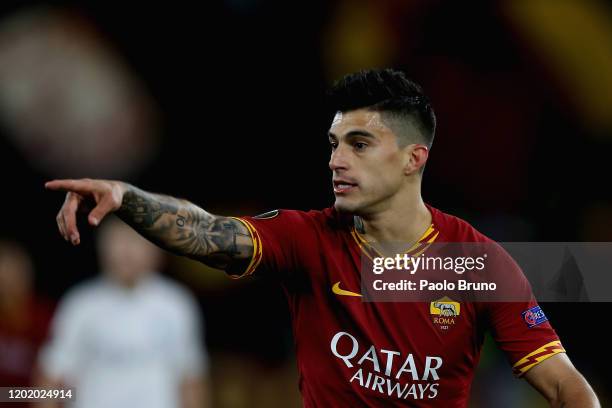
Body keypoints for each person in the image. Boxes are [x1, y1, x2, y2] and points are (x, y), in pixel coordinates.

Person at [45, 68, 599, 407]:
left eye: (358, 144)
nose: (335, 160)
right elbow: (205, 231)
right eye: (333, 143)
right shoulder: (306, 240)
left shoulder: (480, 264)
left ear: (414, 158)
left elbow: (567, 388)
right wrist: (129, 196)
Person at [37, 218, 210, 408]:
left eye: (135, 240)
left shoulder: (176, 304)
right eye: (118, 240)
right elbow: (52, 375)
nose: (126, 251)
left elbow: (191, 379)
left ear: (156, 247)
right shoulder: (80, 304)